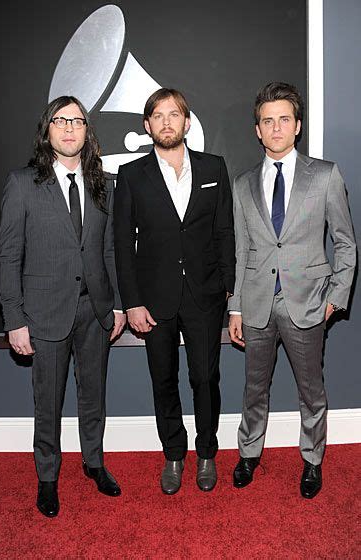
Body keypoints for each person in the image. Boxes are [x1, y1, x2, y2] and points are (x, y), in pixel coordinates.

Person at [0, 96, 126, 517]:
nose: (70, 128)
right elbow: (9, 256)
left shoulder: (105, 183)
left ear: (88, 132)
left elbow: (110, 250)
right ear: (48, 129)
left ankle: (94, 463)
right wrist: (14, 320)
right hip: (44, 314)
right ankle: (48, 477)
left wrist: (119, 306)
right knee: (47, 402)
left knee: (94, 397)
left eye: (78, 121)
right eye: (61, 120)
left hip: (96, 312)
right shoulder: (22, 183)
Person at [228, 82, 356, 499]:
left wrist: (336, 296)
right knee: (253, 389)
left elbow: (345, 241)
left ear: (297, 126)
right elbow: (241, 250)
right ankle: (248, 453)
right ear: (258, 131)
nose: (276, 127)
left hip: (308, 303)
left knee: (311, 391)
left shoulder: (324, 175)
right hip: (258, 303)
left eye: (284, 119)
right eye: (268, 121)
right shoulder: (242, 184)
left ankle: (313, 461)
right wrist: (236, 309)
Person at [114, 88, 235, 494]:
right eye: (158, 115)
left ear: (186, 121)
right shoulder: (131, 175)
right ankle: (173, 455)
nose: (167, 121)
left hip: (205, 297)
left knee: (205, 378)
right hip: (154, 300)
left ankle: (206, 453)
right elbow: (121, 245)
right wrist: (131, 301)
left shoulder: (214, 168)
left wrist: (229, 293)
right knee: (163, 380)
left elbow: (224, 235)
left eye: (175, 114)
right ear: (147, 125)